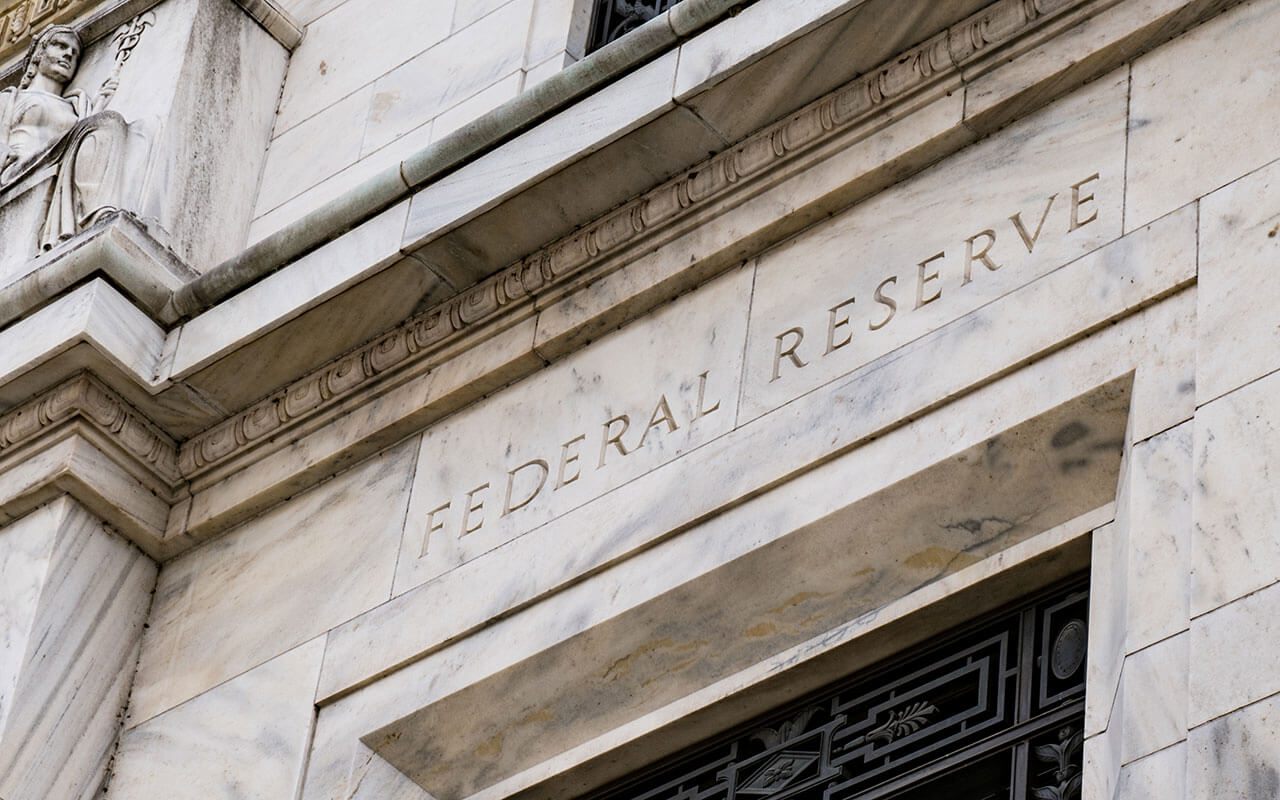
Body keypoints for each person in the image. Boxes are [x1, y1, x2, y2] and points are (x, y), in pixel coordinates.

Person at [0, 25, 127, 250]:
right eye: (60, 46)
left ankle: (97, 215)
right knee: (106, 123)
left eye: (74, 53)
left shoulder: (76, 106)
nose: (68, 54)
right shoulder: (12, 98)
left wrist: (98, 105)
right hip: (18, 167)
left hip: (59, 158)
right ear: (40, 54)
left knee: (110, 122)